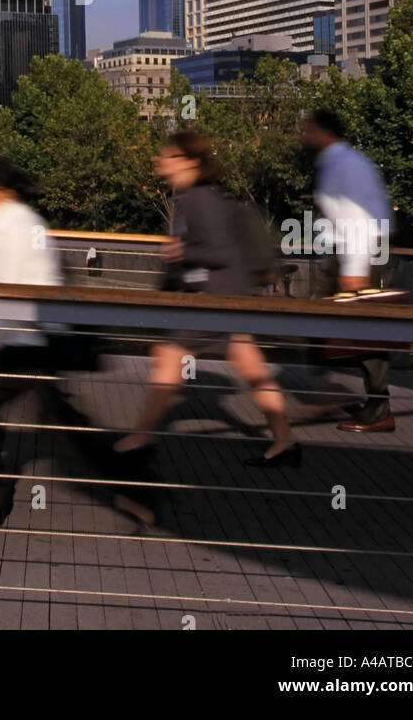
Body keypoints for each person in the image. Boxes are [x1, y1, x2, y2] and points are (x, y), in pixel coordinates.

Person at [111, 130, 298, 526]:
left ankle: (142, 435)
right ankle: (284, 440)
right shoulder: (193, 198)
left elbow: (215, 251)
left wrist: (179, 251)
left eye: (169, 156)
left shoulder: (198, 199)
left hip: (214, 298)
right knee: (251, 366)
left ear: (189, 161)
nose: (161, 162)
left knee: (167, 357)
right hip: (224, 295)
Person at [0, 157, 93, 527]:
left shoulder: (5, 226)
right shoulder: (25, 220)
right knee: (58, 421)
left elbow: (7, 297)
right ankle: (127, 476)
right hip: (41, 335)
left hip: (26, 340)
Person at [300, 107, 395, 433]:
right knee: (326, 323)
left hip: (363, 252)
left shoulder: (346, 165)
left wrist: (355, 268)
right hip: (348, 253)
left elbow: (361, 219)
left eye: (309, 130)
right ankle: (332, 397)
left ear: (325, 133)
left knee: (365, 329)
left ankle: (378, 409)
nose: (304, 136)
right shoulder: (333, 164)